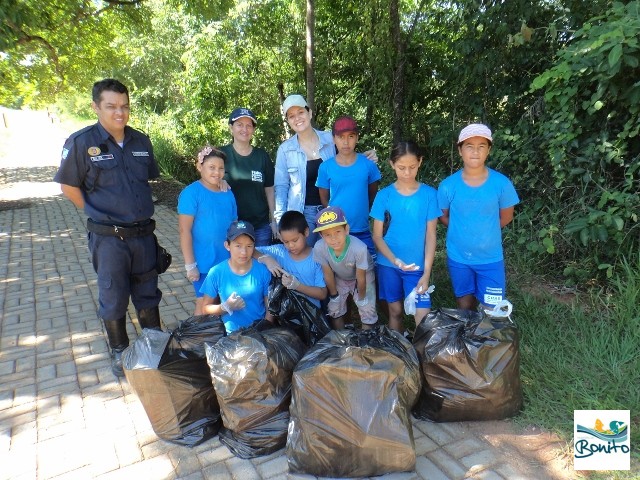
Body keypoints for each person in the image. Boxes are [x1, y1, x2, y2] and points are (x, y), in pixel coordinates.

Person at [54, 78, 162, 377]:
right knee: (113, 296)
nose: (120, 113)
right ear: (96, 107)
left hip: (144, 235)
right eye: (111, 106)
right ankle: (120, 352)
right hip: (109, 239)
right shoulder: (81, 143)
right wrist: (98, 213)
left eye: (125, 106)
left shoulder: (141, 141)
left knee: (148, 293)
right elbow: (68, 187)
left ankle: (155, 346)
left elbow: (146, 180)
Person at [274, 94, 378, 246]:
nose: (297, 118)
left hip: (334, 210)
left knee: (333, 258)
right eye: (291, 116)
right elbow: (281, 187)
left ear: (309, 113)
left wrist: (366, 156)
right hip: (302, 214)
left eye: (301, 112)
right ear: (288, 121)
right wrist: (280, 221)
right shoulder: (285, 150)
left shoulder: (330, 138)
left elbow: (347, 157)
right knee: (306, 257)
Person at [437, 123, 519, 311]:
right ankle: (469, 336)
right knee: (464, 304)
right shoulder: (448, 186)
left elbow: (506, 218)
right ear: (460, 150)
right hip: (459, 256)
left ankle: (489, 339)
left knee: (492, 308)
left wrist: (483, 230)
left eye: (481, 146)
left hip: (490, 258)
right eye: (469, 146)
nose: (475, 152)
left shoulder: (501, 184)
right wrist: (464, 229)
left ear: (489, 150)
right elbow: (443, 217)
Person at [370, 141, 441, 332]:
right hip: (389, 264)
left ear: (420, 162)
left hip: (417, 266)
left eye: (412, 167)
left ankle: (422, 357)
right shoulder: (384, 196)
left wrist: (426, 272)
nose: (407, 173)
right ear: (392, 164)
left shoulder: (429, 195)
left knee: (423, 314)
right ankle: (399, 354)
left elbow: (431, 236)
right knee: (394, 311)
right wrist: (396, 261)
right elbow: (377, 236)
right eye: (401, 168)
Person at [178, 146, 237, 316]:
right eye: (211, 167)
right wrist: (190, 265)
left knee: (221, 302)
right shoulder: (191, 193)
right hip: (203, 262)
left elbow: (234, 226)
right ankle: (195, 338)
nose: (217, 172)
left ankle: (215, 337)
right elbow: (184, 230)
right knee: (204, 303)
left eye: (221, 168)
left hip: (226, 260)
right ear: (199, 166)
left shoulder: (227, 192)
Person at [316, 116, 381, 261]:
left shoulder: (368, 165)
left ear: (357, 138)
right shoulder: (326, 167)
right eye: (340, 137)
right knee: (340, 271)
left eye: (351, 136)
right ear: (333, 139)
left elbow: (372, 194)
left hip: (361, 229)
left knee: (369, 268)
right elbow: (325, 199)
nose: (346, 142)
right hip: (336, 231)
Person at [200, 221, 273, 333]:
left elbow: (270, 309)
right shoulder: (216, 272)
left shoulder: (263, 270)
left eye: (249, 246)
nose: (244, 252)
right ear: (227, 245)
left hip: (259, 332)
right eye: (238, 246)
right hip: (231, 337)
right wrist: (225, 307)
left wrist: (264, 330)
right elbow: (205, 309)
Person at [312, 206, 377, 330]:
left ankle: (367, 344)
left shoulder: (359, 248)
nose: (333, 238)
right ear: (321, 235)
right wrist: (334, 296)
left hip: (363, 276)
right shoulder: (319, 247)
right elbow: (328, 273)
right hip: (340, 277)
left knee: (367, 310)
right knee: (334, 309)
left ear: (346, 229)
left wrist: (362, 298)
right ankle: (342, 341)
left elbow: (361, 277)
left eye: (337, 232)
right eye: (327, 235)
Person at [221, 108, 276, 246]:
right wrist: (218, 181)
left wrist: (274, 220)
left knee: (261, 264)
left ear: (253, 130)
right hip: (230, 225)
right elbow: (207, 178)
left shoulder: (262, 156)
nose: (244, 129)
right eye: (239, 124)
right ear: (231, 128)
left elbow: (270, 190)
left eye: (249, 125)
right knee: (235, 266)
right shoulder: (221, 154)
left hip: (260, 227)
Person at [253, 210, 327, 308]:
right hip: (285, 315)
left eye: (295, 240)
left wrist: (297, 286)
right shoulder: (280, 252)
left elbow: (322, 294)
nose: (291, 245)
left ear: (306, 232)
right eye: (286, 241)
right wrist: (266, 259)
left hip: (311, 316)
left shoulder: (316, 257)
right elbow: (250, 250)